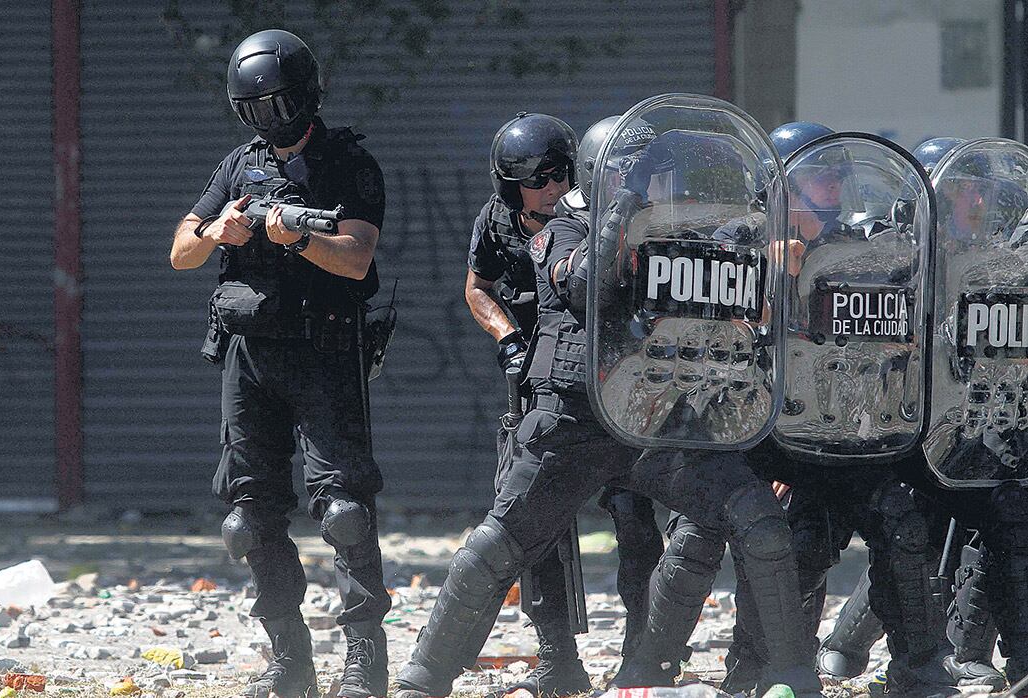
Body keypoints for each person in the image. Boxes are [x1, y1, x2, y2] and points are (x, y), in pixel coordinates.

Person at [393, 119, 823, 698]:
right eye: (628, 175)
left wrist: (775, 270)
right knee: (500, 546)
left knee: (758, 522)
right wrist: (617, 213)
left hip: (660, 422)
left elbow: (741, 309)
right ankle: (424, 677)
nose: (643, 186)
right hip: (577, 426)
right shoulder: (563, 227)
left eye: (649, 176)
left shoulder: (678, 236)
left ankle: (791, 675)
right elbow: (579, 288)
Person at [642, 122, 955, 697]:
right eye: (817, 174)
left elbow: (895, 337)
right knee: (719, 536)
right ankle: (676, 667)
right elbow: (712, 340)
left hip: (840, 428)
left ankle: (919, 666)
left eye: (837, 172)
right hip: (756, 430)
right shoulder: (737, 245)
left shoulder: (861, 250)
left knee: (898, 524)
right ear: (781, 183)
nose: (831, 182)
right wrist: (776, 280)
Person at [169, 29, 390, 698]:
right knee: (248, 516)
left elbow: (356, 256)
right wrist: (219, 232)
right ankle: (288, 662)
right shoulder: (238, 165)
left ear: (305, 98)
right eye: (255, 107)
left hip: (322, 348)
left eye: (278, 104)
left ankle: (364, 664)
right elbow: (181, 249)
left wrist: (297, 236)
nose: (268, 118)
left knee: (344, 512)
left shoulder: (346, 165)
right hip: (249, 353)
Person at [463, 113, 664, 697]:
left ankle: (641, 651)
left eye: (561, 175)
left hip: (609, 382)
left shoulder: (598, 215)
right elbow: (477, 287)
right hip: (538, 383)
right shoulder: (497, 220)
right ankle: (558, 657)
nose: (553, 188)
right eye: (539, 179)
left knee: (635, 521)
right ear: (511, 187)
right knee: (531, 525)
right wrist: (509, 340)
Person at [818, 135, 1028, 690]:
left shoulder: (994, 264)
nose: (976, 205)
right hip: (899, 436)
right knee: (912, 533)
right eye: (962, 193)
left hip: (971, 430)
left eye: (982, 193)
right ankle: (847, 647)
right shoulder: (885, 259)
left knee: (1009, 518)